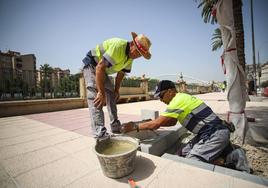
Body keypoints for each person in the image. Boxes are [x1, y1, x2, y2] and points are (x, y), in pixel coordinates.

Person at [121, 80, 233, 163]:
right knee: (181, 154)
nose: (160, 99)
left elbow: (156, 124)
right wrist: (154, 122)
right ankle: (220, 153)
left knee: (192, 162)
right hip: (207, 133)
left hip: (215, 134)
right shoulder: (182, 97)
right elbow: (172, 122)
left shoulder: (177, 100)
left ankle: (226, 161)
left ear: (170, 91)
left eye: (161, 95)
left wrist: (134, 126)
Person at [82, 32, 152, 138]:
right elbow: (99, 67)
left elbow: (121, 73)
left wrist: (116, 90)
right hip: (92, 64)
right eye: (137, 52)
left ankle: (115, 126)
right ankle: (99, 132)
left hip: (102, 70)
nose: (137, 56)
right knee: (95, 96)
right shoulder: (118, 46)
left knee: (111, 95)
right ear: (132, 44)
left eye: (140, 55)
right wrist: (101, 92)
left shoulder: (130, 58)